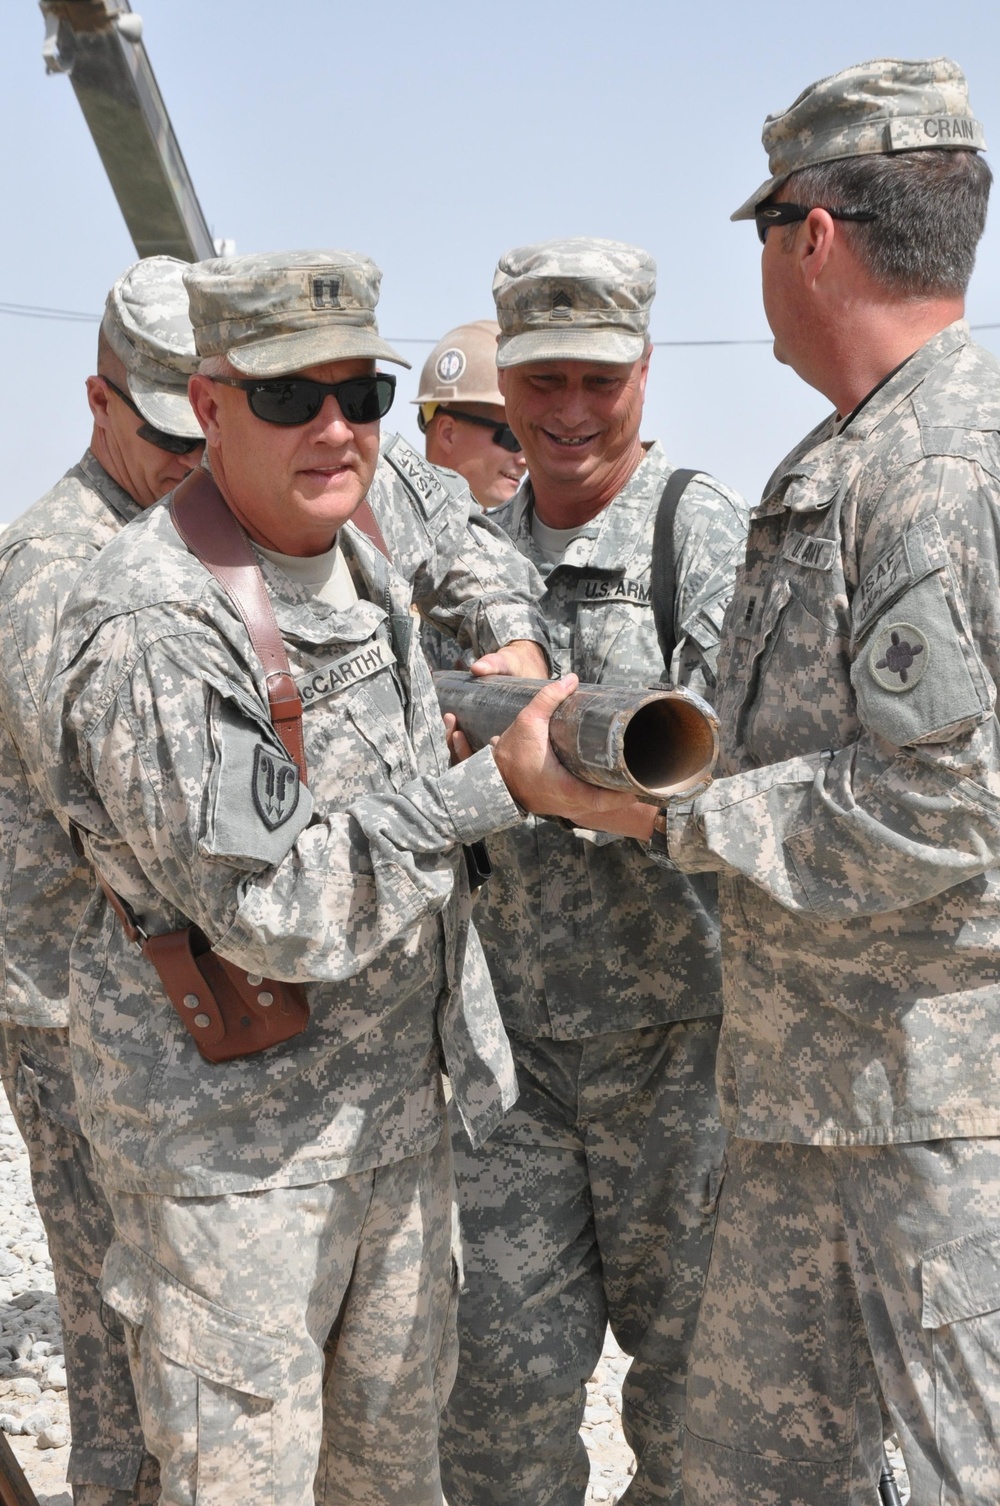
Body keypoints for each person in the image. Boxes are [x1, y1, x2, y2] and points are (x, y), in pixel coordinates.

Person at [38, 247, 648, 1506]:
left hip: (389, 1141)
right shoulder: (151, 622)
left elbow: (459, 553)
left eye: (358, 396)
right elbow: (275, 909)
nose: (335, 430)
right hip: (237, 1177)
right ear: (207, 409)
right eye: (286, 399)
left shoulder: (349, 543)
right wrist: (497, 787)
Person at [652, 58, 1000, 1506]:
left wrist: (688, 815)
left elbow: (953, 799)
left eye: (760, 233)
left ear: (813, 233)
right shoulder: (854, 452)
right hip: (820, 1105)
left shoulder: (934, 463)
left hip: (934, 1133)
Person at [438, 237, 749, 1506]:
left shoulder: (697, 532)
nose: (569, 413)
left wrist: (549, 772)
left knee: (700, 1406)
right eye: (543, 379)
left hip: (680, 1056)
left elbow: (733, 779)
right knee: (496, 1411)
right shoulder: (468, 562)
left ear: (644, 372)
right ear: (505, 382)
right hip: (512, 1063)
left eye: (598, 381)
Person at [0, 254, 206, 1506]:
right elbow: (117, 807)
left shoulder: (172, 535)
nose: (195, 455)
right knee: (121, 1341)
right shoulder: (54, 569)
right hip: (78, 1014)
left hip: (160, 1003)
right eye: (168, 431)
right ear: (98, 402)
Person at [415, 320, 526, 510]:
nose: (524, 460)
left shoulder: (494, 537)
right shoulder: (381, 529)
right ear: (448, 434)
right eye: (512, 439)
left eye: (527, 440)